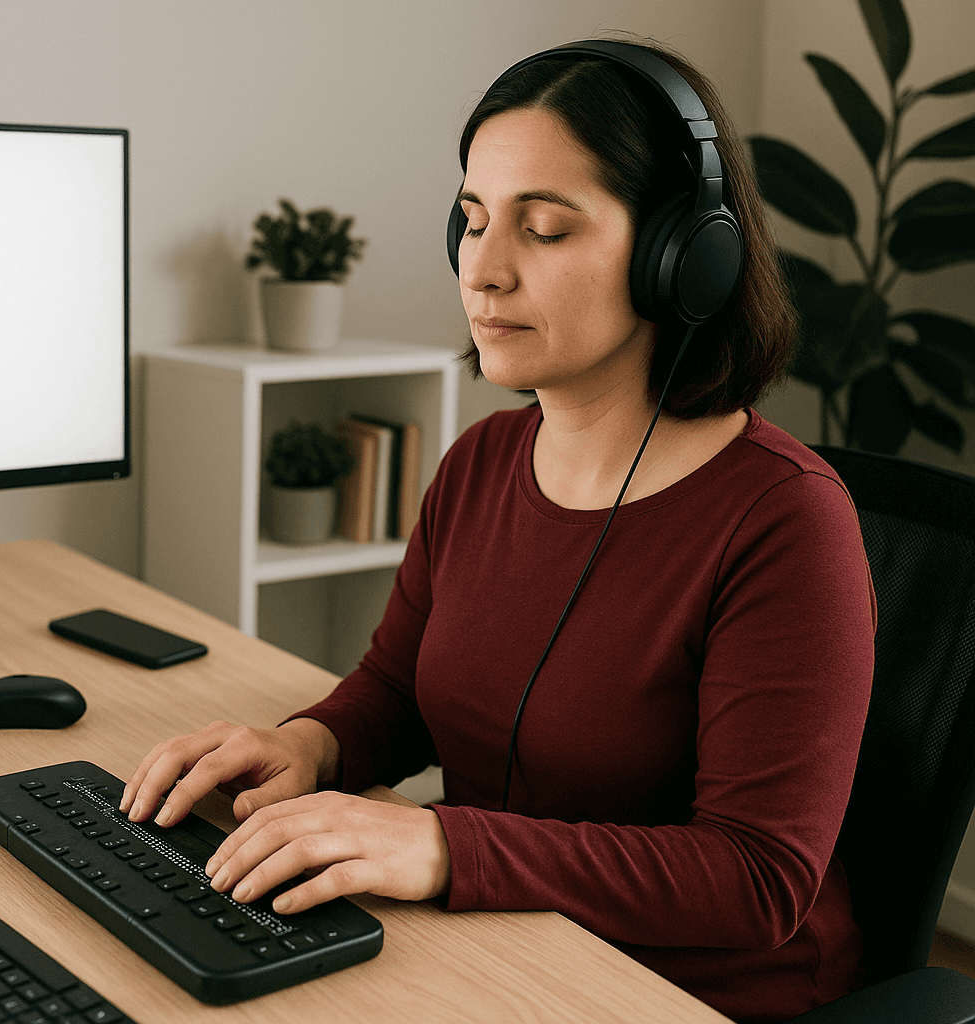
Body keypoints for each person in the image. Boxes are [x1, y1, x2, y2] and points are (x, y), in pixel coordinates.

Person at [120, 37, 876, 1024]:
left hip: (688, 998)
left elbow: (757, 877)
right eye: (472, 222)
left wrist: (445, 845)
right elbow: (401, 690)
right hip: (503, 948)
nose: (483, 271)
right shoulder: (482, 462)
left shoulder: (785, 520)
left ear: (682, 256)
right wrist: (308, 745)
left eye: (545, 230)